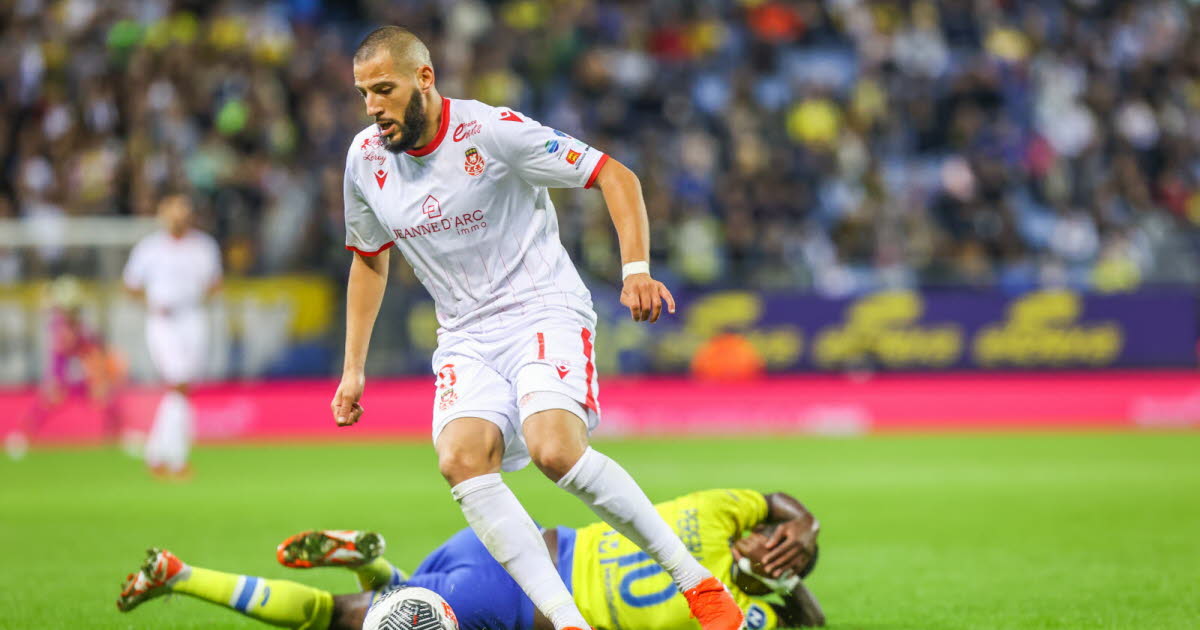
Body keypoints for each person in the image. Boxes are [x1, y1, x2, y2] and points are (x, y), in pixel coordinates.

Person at [329, 25, 744, 630]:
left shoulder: (491, 132)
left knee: (555, 449)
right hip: (466, 335)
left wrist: (636, 271)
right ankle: (565, 621)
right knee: (460, 459)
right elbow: (369, 258)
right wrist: (353, 368)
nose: (373, 108)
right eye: (363, 93)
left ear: (425, 78)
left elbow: (614, 174)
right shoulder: (364, 160)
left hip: (541, 308)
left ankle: (699, 585)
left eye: (384, 90)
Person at [116, 489, 824, 630]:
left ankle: (376, 569)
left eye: (771, 537)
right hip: (513, 604)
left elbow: (775, 500)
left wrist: (806, 528)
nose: (764, 533)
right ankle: (178, 574)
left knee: (399, 601)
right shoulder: (732, 610)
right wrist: (789, 584)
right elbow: (799, 622)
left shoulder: (708, 515)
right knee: (331, 623)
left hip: (506, 543)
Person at [122, 193, 222, 480]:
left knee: (182, 387)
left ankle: (155, 455)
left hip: (193, 317)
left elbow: (215, 282)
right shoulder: (149, 248)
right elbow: (130, 285)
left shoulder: (204, 246)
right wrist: (151, 301)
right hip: (163, 320)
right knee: (178, 382)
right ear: (163, 214)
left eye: (184, 211)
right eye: (174, 211)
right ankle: (177, 459)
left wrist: (198, 296)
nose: (179, 217)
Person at [5, 275, 126, 459]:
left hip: (81, 371)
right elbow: (68, 345)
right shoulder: (60, 324)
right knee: (48, 401)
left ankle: (117, 437)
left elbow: (89, 345)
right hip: (63, 371)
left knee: (104, 396)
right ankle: (23, 437)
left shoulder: (76, 324)